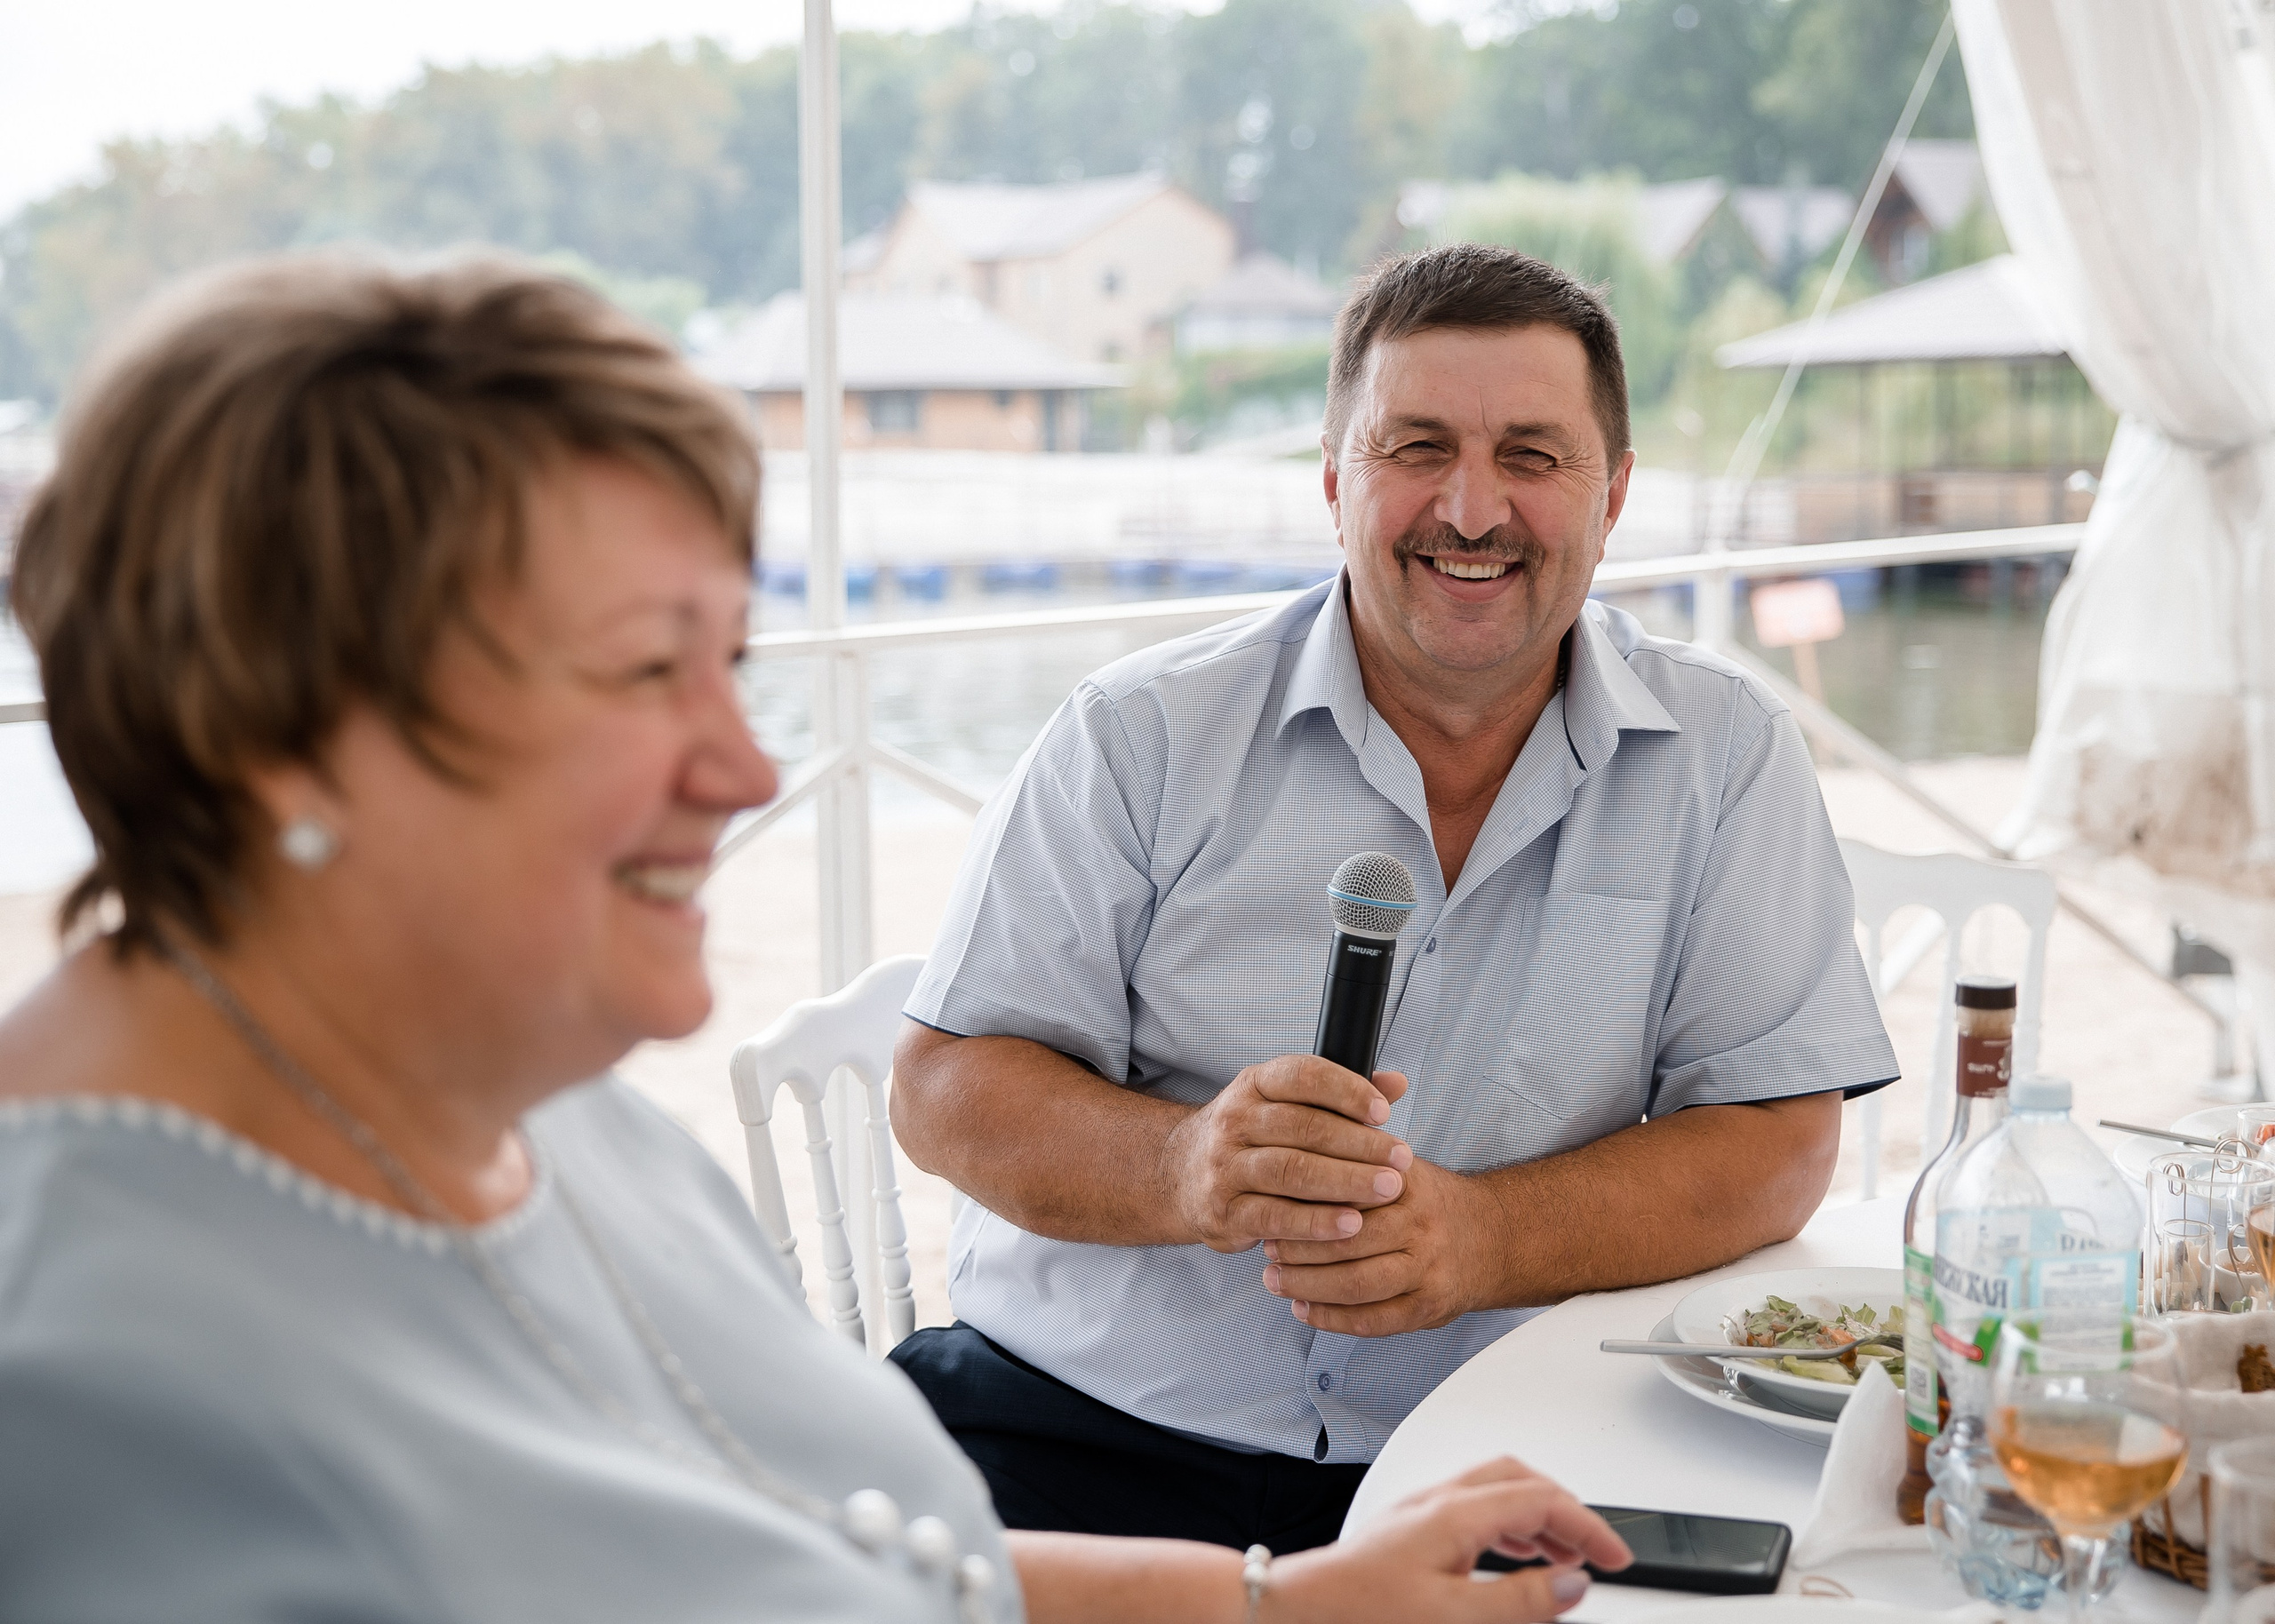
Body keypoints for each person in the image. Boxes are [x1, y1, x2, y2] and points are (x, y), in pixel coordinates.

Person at [0, 252, 1630, 1623]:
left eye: (734, 664)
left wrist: (1288, 1604)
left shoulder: (559, 1127)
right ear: (291, 737)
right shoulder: (88, 1381)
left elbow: (833, 1561)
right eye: (647, 671)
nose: (747, 770)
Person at [887, 243, 1900, 1550]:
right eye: (1417, 448)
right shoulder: (1138, 732)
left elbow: (1779, 1135)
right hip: (1080, 1422)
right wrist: (1186, 1166)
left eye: (1532, 456)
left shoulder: (1728, 753)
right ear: (1333, 481)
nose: (1472, 511)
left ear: (1614, 495)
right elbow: (942, 1086)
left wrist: (1483, 1240)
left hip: (1517, 1437)